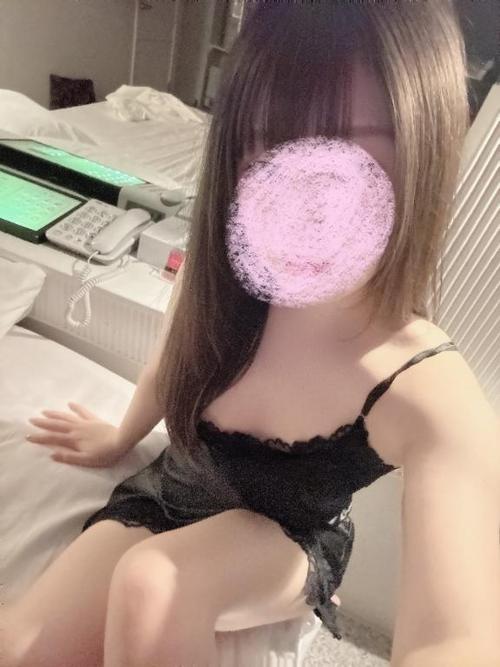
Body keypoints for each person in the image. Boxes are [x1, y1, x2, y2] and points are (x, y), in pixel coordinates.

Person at [3, 3, 500, 667]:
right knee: (19, 646)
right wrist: (121, 436)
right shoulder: (216, 280)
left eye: (351, 148)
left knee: (153, 583)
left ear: (420, 157)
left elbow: (458, 636)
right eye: (267, 140)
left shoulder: (419, 381)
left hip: (285, 536)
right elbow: (172, 362)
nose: (300, 188)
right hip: (174, 491)